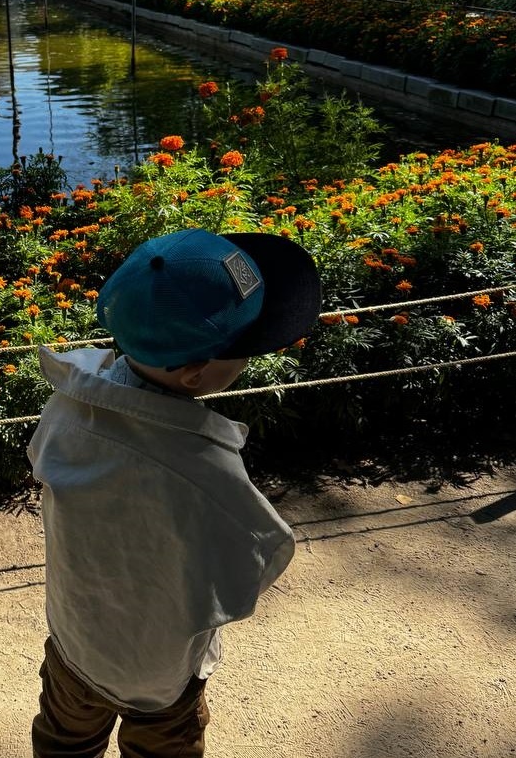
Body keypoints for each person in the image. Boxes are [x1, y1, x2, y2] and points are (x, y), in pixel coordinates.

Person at [27, 227, 322, 757]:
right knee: (165, 748)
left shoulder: (66, 409)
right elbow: (257, 558)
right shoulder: (202, 462)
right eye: (247, 348)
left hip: (74, 639)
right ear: (195, 374)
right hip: (157, 666)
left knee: (64, 739)